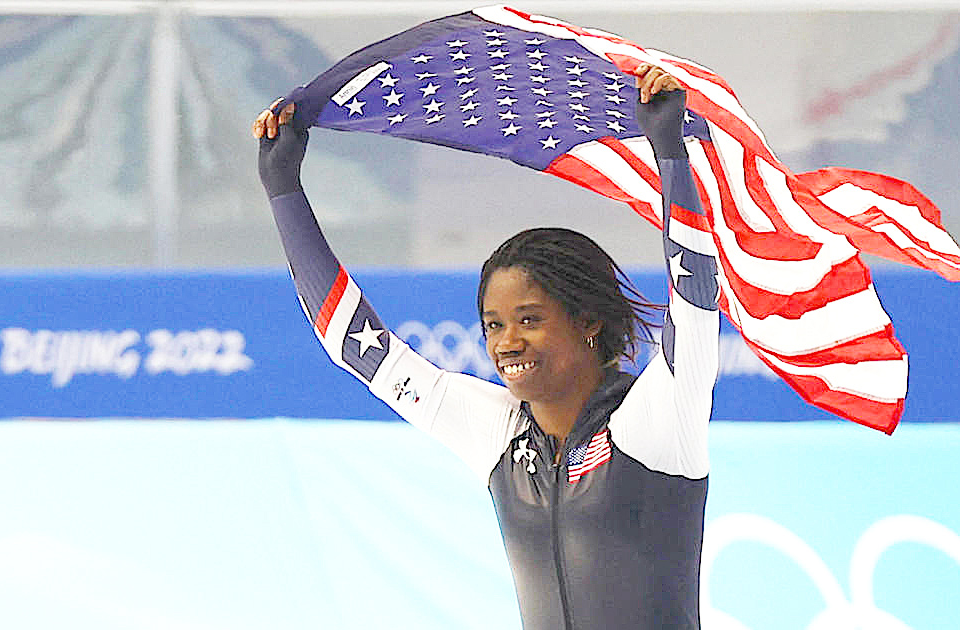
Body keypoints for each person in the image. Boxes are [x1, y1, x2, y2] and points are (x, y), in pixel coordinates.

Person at [253, 64, 720, 630]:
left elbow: (693, 301)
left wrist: (669, 153)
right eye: (494, 325)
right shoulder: (499, 432)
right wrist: (284, 192)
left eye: (529, 320)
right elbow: (358, 348)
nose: (507, 342)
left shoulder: (653, 423)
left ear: (588, 322)